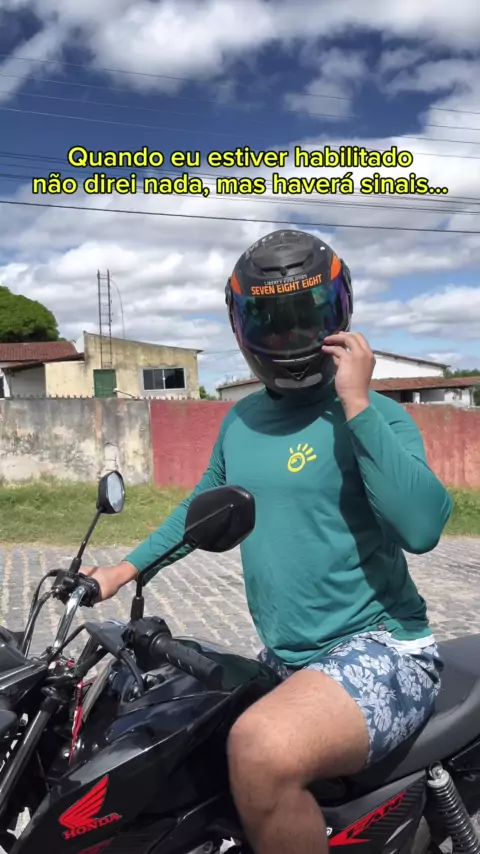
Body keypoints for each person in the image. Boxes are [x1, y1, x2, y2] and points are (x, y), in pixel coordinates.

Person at [85, 230, 452, 854]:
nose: (290, 338)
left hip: (385, 650)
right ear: (243, 327)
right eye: (272, 323)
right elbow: (199, 512)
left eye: (306, 318)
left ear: (339, 316)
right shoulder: (242, 420)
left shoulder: (377, 416)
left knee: (259, 750)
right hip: (285, 658)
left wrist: (357, 402)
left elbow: (421, 527)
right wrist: (122, 571)